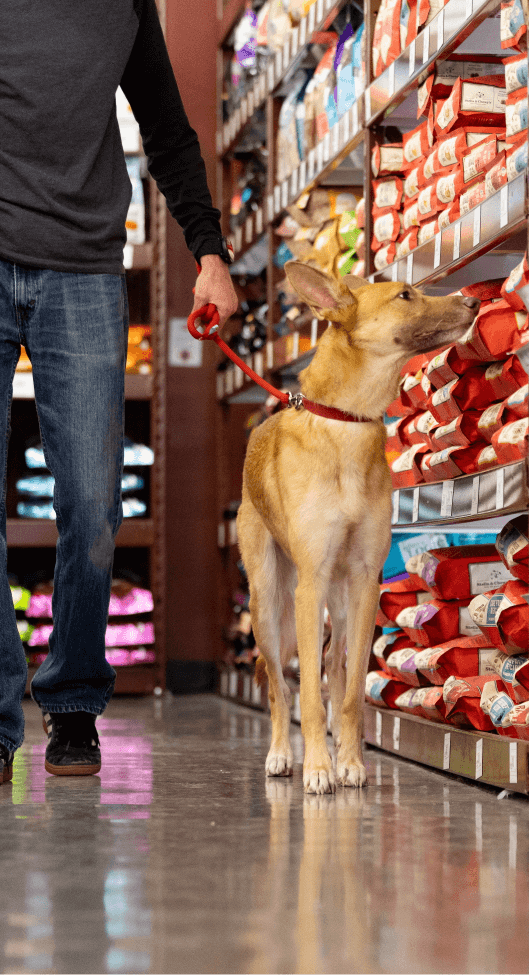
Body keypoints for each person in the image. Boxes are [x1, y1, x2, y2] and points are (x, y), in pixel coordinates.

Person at [0, 0, 238, 782]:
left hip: (84, 269)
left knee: (94, 505)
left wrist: (209, 251)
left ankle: (71, 701)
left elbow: (167, 130)